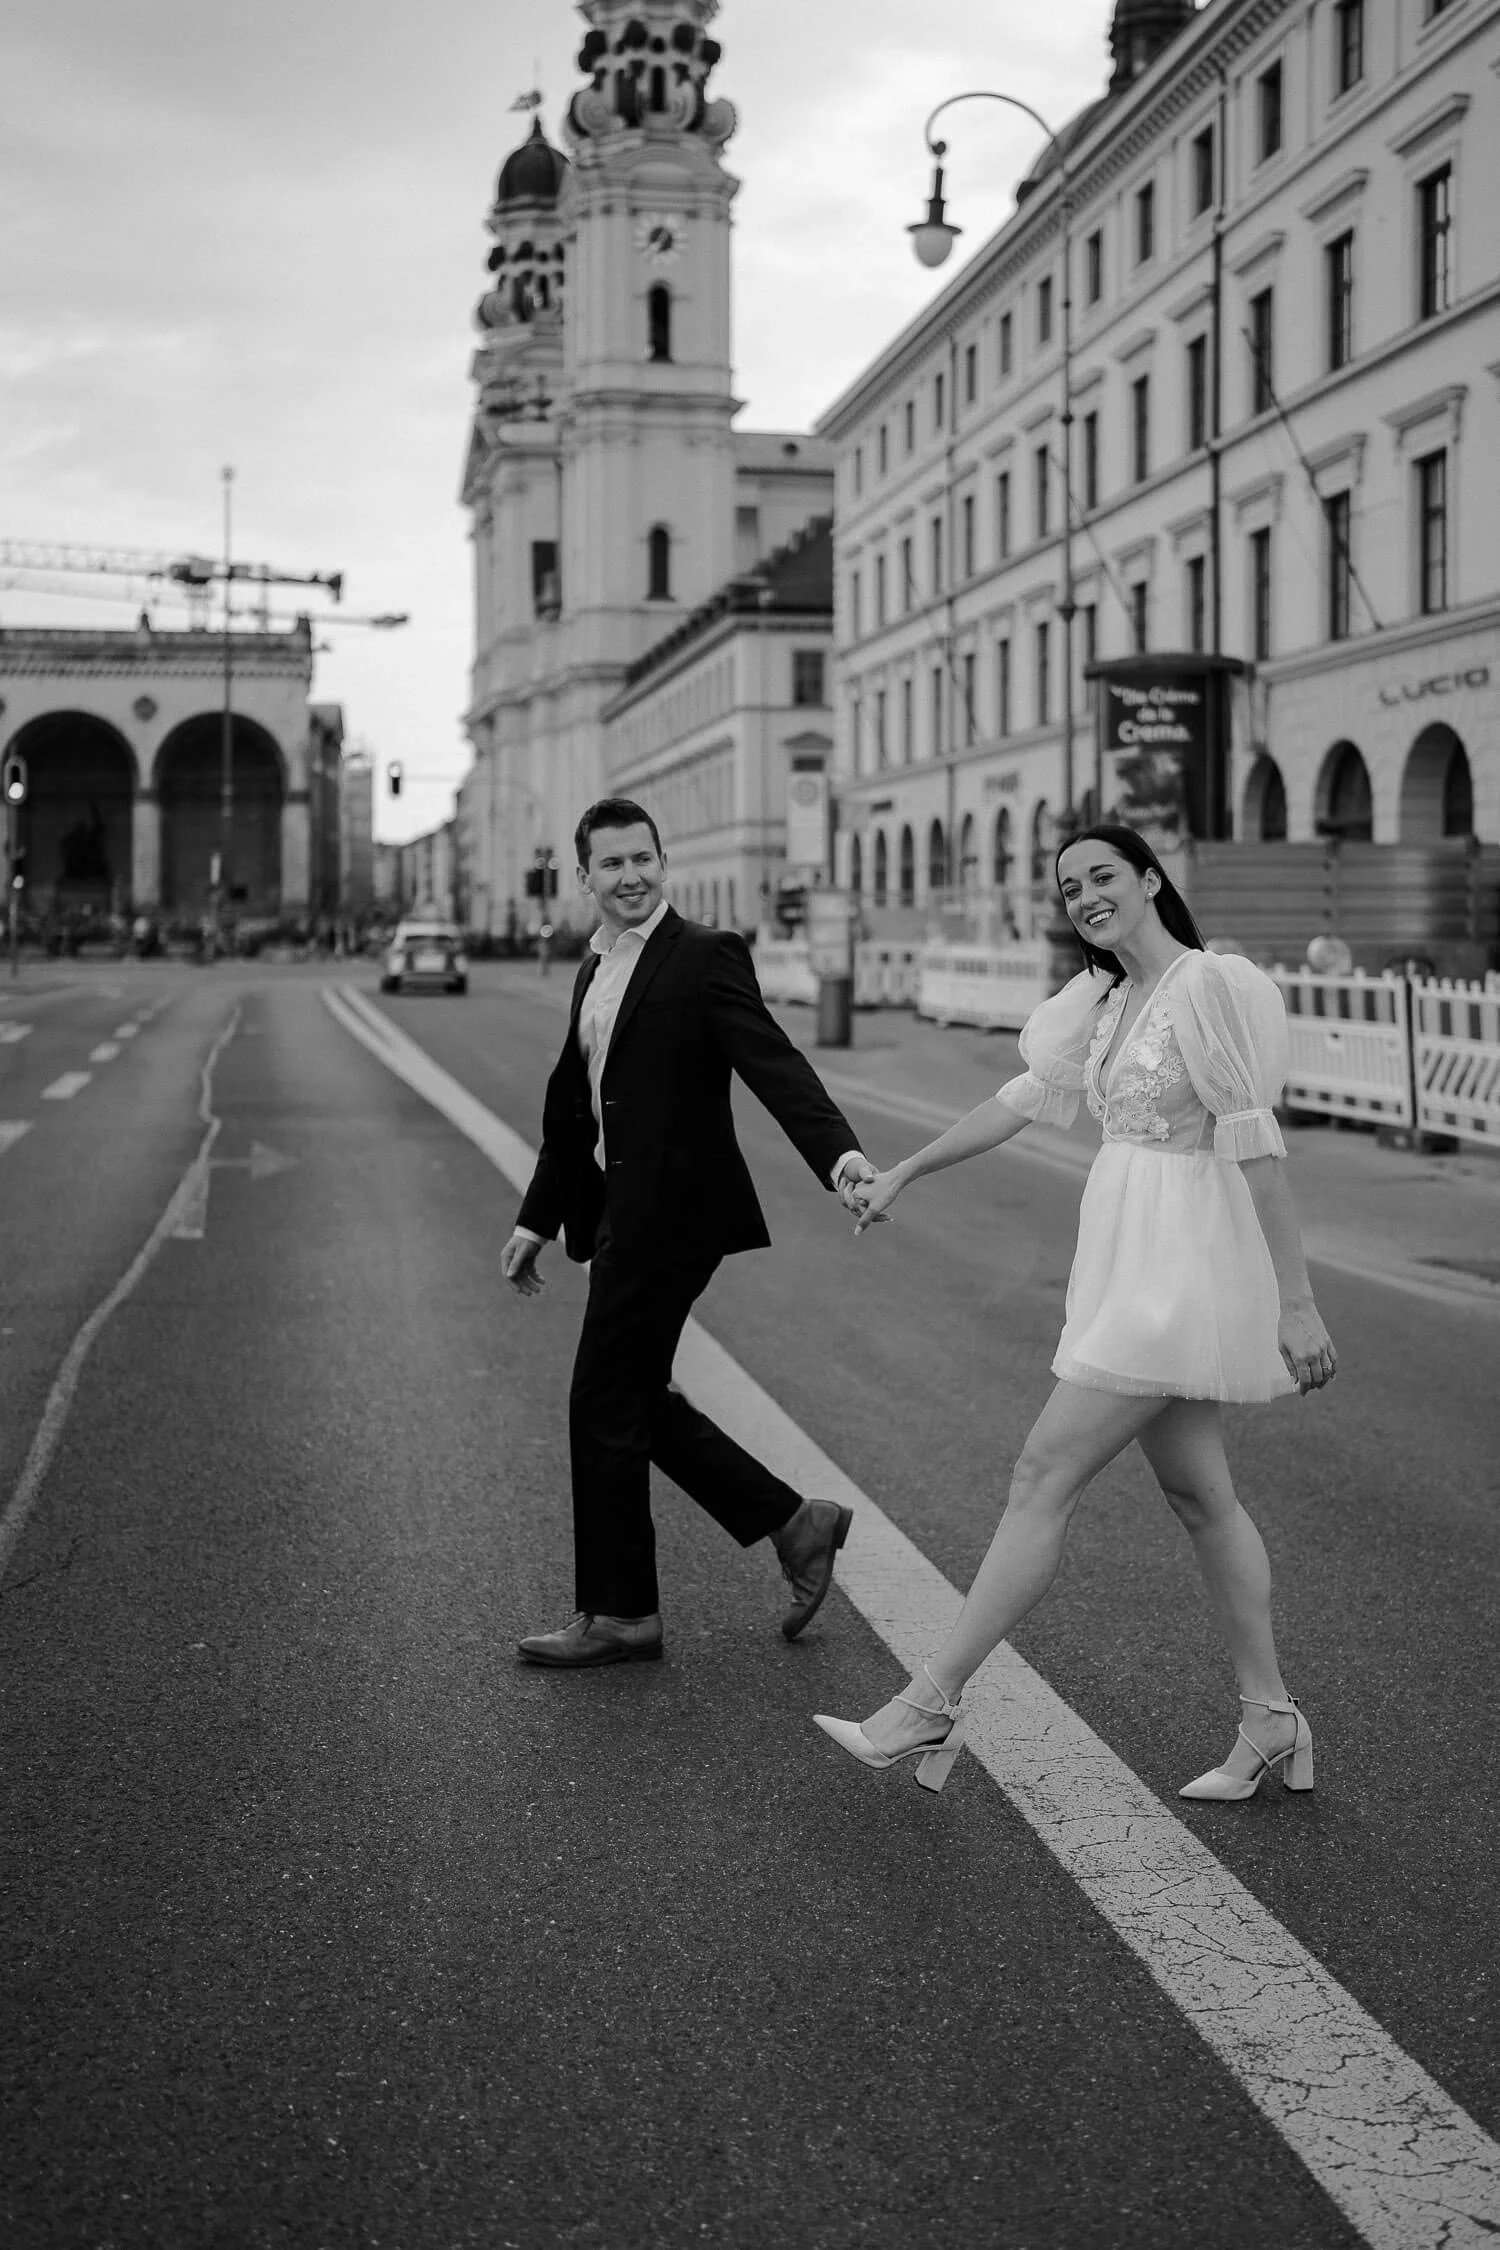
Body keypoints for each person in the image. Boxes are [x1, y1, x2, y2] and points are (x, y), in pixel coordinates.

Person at [815, 822, 1337, 1800]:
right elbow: (1019, 1100)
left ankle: (933, 1702)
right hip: (1128, 1263)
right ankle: (1271, 1720)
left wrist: (1296, 1301)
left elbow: (1253, 1144)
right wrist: (909, 1172)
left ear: (1149, 879)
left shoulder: (1203, 984)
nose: (1086, 896)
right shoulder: (1106, 1000)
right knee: (1201, 1496)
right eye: (1069, 887)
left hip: (1175, 1273)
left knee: (1041, 1472)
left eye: (1104, 876)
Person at [503, 797, 876, 1668]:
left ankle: (623, 1612)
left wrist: (842, 1160)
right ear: (585, 876)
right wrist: (537, 1215)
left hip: (677, 1216)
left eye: (643, 860)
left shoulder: (704, 956)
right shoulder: (591, 972)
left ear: (661, 863)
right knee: (631, 1401)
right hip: (619, 1214)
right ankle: (795, 1523)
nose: (630, 877)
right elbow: (574, 1110)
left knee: (602, 1400)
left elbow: (773, 1061)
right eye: (612, 865)